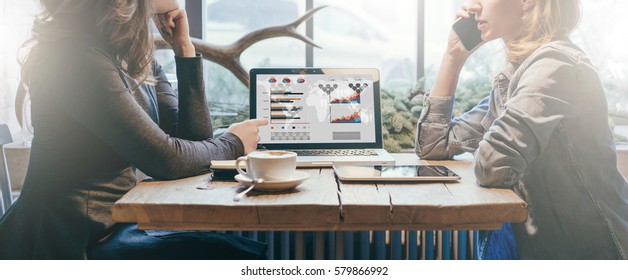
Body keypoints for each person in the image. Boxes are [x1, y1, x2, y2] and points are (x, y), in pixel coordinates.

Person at [0, 0, 268, 259]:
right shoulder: (76, 60)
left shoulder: (132, 55)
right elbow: (167, 160)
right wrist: (233, 142)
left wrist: (184, 49)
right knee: (234, 256)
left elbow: (192, 141)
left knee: (236, 252)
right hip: (67, 240)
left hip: (111, 227)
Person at [415, 0, 628, 259]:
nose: (471, 6)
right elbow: (433, 145)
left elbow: (491, 165)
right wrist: (453, 56)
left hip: (586, 253)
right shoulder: (520, 74)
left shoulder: (556, 65)